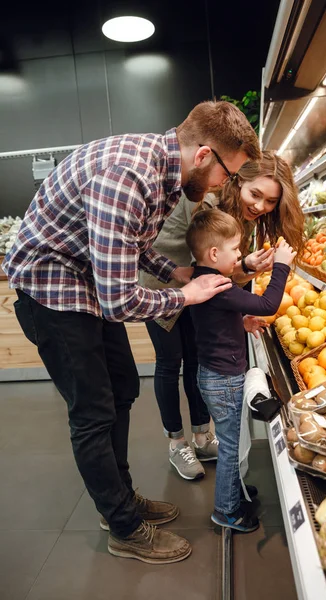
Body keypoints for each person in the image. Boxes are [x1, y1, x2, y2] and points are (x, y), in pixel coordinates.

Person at [2, 100, 261, 565]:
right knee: (93, 412)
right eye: (230, 173)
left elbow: (135, 243)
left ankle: (120, 499)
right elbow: (121, 300)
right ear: (204, 155)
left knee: (123, 388)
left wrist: (176, 272)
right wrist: (187, 296)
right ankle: (123, 526)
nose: (228, 185)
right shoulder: (128, 177)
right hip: (51, 289)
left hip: (85, 281)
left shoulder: (165, 175)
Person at [140, 151, 303, 481]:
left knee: (198, 360)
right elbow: (177, 257)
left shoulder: (241, 216)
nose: (260, 207)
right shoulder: (203, 202)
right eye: (255, 194)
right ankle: (177, 443)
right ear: (239, 181)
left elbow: (219, 277)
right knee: (170, 362)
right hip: (165, 286)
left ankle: (202, 437)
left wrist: (245, 266)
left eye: (270, 201)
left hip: (200, 290)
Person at [187, 210, 297, 532]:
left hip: (212, 375)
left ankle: (233, 495)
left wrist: (241, 321)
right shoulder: (220, 286)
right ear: (214, 254)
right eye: (235, 249)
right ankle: (226, 511)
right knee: (230, 447)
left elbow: (215, 322)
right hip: (224, 381)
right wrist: (281, 267)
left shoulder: (202, 280)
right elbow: (268, 305)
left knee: (231, 442)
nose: (240, 255)